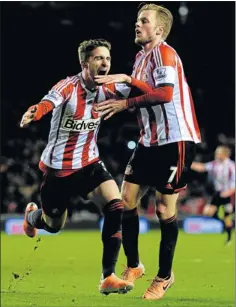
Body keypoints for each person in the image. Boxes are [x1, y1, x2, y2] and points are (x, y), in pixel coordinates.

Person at [20, 38, 151, 295]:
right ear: (85, 63)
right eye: (98, 58)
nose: (105, 63)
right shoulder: (68, 86)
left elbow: (146, 92)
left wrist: (128, 79)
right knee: (54, 225)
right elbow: (49, 102)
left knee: (116, 206)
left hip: (89, 162)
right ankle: (32, 217)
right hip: (58, 170)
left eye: (107, 59)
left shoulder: (111, 86)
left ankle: (108, 277)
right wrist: (35, 112)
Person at [94, 4, 201, 300]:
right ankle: (134, 265)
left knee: (164, 209)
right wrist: (101, 90)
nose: (137, 24)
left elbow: (164, 94)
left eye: (144, 21)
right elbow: (134, 89)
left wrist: (126, 97)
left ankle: (165, 276)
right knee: (125, 200)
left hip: (175, 140)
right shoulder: (141, 58)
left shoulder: (165, 53)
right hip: (149, 141)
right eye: (138, 20)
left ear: (159, 30)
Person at [191, 146, 235, 244]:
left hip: (228, 194)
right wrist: (189, 164)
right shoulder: (215, 164)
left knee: (228, 217)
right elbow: (202, 167)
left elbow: (234, 182)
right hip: (217, 193)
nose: (216, 155)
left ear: (224, 154)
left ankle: (229, 238)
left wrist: (229, 192)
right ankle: (223, 223)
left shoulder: (231, 166)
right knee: (207, 212)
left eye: (218, 153)